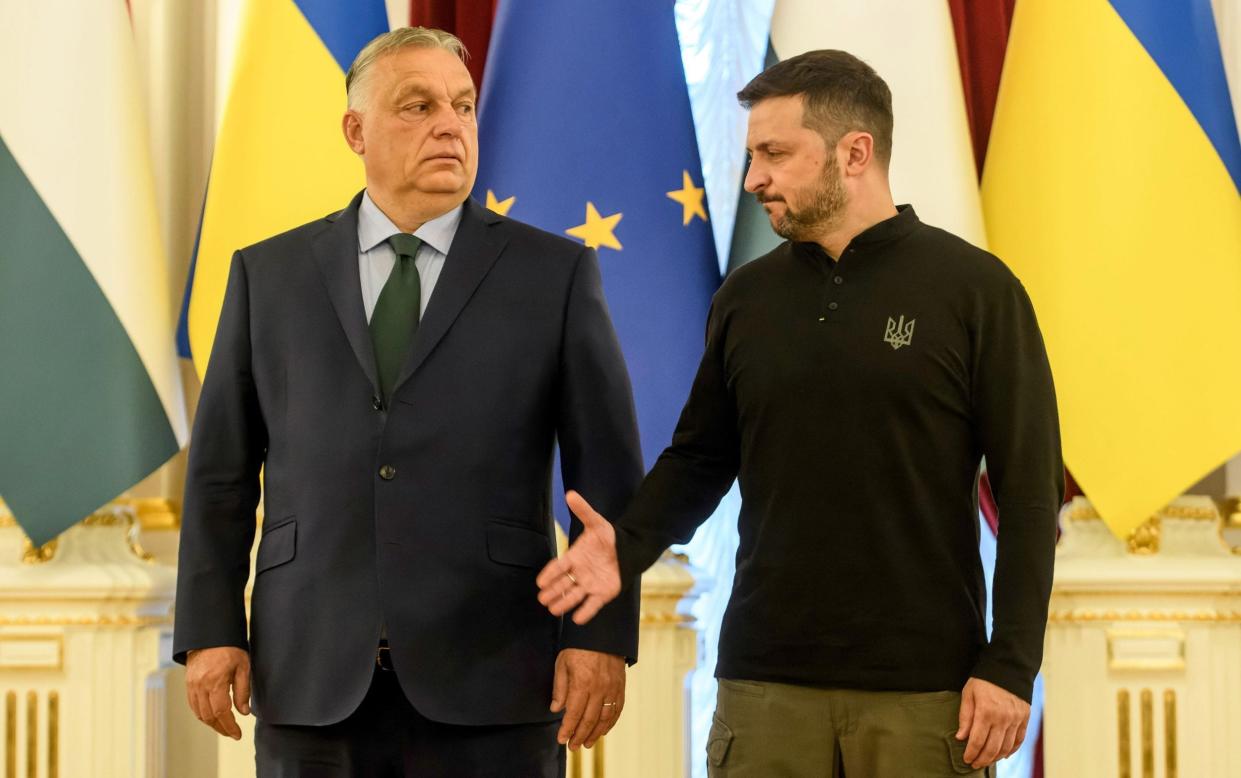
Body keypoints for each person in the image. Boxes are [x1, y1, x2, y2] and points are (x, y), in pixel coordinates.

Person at [538, 49, 1063, 777]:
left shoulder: (977, 291)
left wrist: (1010, 664)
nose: (753, 178)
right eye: (752, 154)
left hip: (927, 694)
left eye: (773, 154)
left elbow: (1029, 496)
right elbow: (699, 460)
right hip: (762, 686)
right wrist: (623, 547)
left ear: (855, 153)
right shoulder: (745, 299)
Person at [174, 27, 643, 777]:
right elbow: (220, 476)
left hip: (495, 673)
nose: (449, 125)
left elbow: (609, 479)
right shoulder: (269, 275)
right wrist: (209, 630)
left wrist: (598, 636)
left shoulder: (552, 275)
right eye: (417, 106)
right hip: (311, 674)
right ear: (355, 131)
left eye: (461, 106)